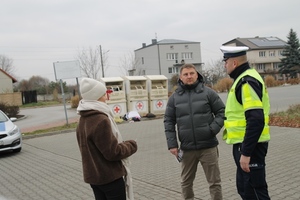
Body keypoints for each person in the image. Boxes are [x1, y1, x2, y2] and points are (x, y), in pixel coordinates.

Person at [164, 64, 225, 200]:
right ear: (180, 77)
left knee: (214, 182)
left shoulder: (208, 93)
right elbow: (168, 121)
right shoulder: (174, 98)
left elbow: (221, 112)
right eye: (185, 74)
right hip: (187, 148)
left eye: (192, 73)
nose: (189, 76)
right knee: (186, 182)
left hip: (208, 147)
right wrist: (172, 144)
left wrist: (213, 129)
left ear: (197, 75)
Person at [220, 46, 271, 200]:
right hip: (247, 145)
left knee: (255, 192)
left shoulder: (246, 82)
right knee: (245, 189)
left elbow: (256, 119)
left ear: (234, 63)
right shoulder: (244, 79)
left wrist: (246, 153)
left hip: (250, 147)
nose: (225, 65)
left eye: (226, 61)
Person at [76, 77, 138, 200]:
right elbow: (112, 152)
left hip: (94, 178)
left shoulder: (82, 120)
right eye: (104, 94)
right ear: (96, 96)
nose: (106, 97)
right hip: (110, 178)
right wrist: (131, 145)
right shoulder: (101, 120)